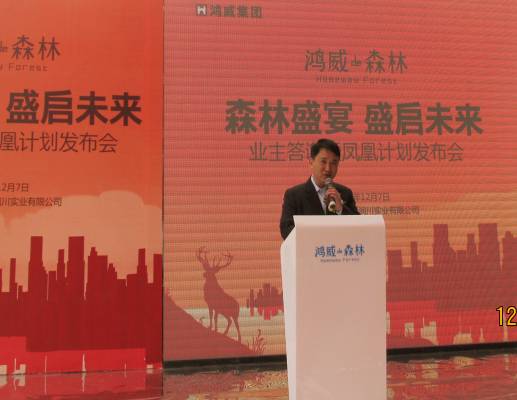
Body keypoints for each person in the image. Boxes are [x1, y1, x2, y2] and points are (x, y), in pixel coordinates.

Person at [279, 138, 360, 239]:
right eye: (323, 161)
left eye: (333, 163)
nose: (328, 168)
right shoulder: (294, 195)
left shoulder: (345, 193)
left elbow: (360, 228)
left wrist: (341, 209)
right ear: (311, 162)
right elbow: (286, 230)